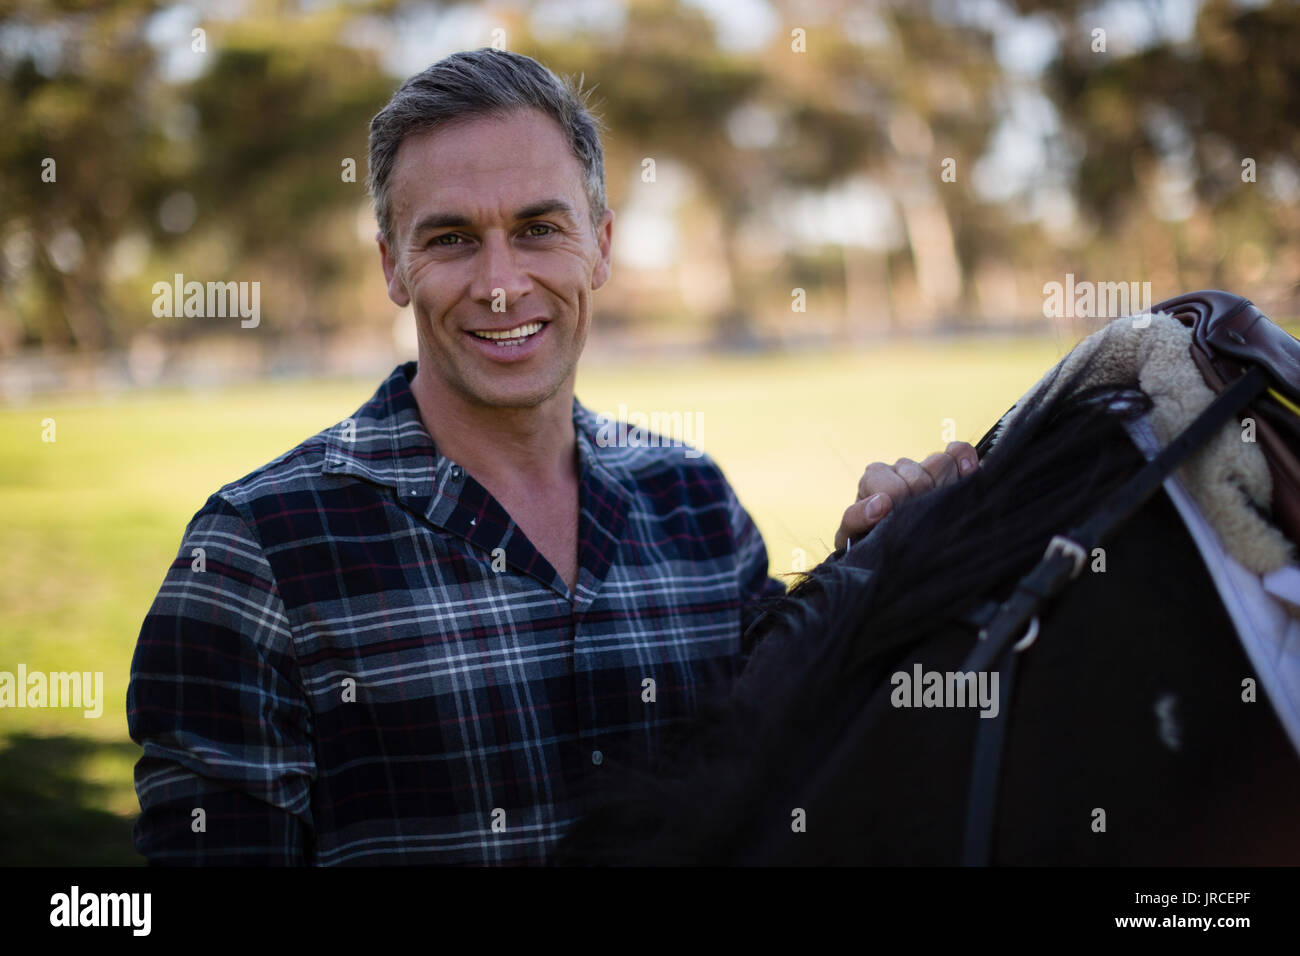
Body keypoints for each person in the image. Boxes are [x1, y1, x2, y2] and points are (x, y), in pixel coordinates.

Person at [127, 48, 976, 865]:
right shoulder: (253, 558)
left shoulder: (694, 504)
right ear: (393, 266)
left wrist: (876, 569)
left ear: (601, 245)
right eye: (452, 239)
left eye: (539, 228)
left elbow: (791, 767)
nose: (501, 282)